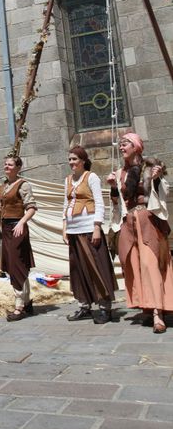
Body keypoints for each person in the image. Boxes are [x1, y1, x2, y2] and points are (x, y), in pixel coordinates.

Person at [107, 132, 172, 334]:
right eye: (120, 144)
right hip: (128, 224)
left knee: (150, 264)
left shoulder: (150, 167)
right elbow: (118, 203)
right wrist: (113, 189)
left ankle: (157, 314)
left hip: (148, 221)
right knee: (133, 265)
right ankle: (146, 305)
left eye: (125, 143)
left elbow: (164, 192)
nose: (121, 147)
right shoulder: (119, 173)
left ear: (136, 146)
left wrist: (155, 179)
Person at [63, 146, 116, 324]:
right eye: (70, 159)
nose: (72, 162)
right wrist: (64, 228)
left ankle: (104, 308)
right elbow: (65, 204)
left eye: (75, 159)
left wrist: (96, 227)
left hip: (88, 228)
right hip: (73, 230)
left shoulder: (91, 177)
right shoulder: (68, 180)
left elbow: (100, 203)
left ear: (83, 160)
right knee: (78, 270)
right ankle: (84, 305)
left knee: (96, 267)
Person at [0, 155, 37, 321]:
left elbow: (32, 208)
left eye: (10, 164)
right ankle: (26, 302)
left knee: (17, 265)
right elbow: (2, 209)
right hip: (6, 228)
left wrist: (21, 223)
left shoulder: (23, 185)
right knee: (14, 266)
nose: (6, 166)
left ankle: (19, 306)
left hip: (17, 229)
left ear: (18, 168)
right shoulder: (4, 186)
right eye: (5, 163)